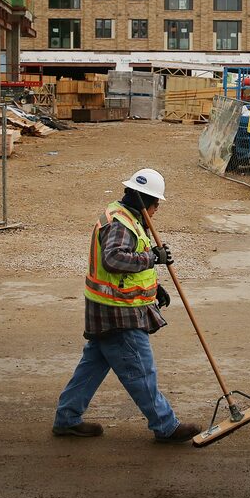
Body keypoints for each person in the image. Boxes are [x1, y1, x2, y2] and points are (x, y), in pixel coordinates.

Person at [52, 168, 200, 444]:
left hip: (106, 309)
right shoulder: (121, 223)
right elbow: (114, 259)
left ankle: (67, 418)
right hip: (119, 313)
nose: (156, 212)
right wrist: (152, 259)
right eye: (156, 206)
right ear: (146, 202)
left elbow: (124, 269)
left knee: (92, 366)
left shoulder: (122, 215)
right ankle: (166, 426)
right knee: (141, 371)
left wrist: (154, 288)